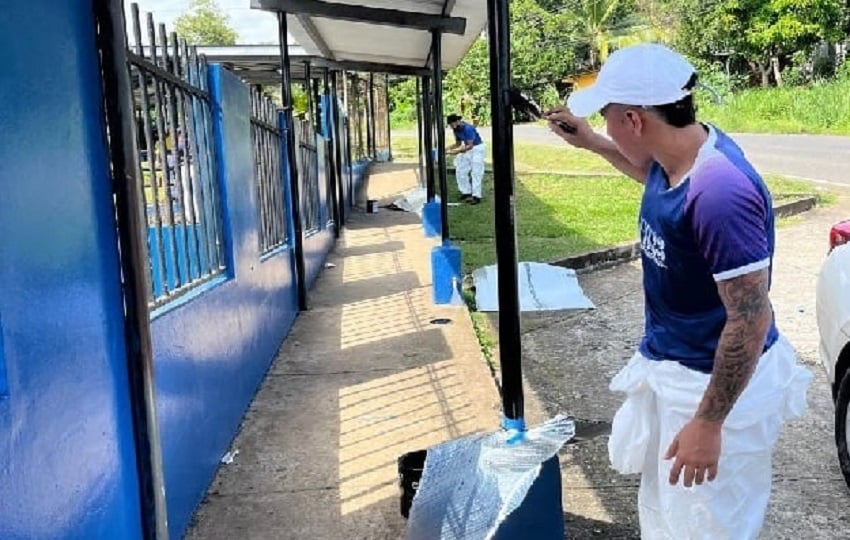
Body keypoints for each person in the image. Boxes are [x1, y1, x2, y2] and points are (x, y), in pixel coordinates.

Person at [545, 43, 812, 539]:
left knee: (705, 525)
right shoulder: (675, 160)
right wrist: (591, 143)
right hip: (679, 370)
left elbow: (751, 319)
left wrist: (708, 424)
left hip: (713, 389)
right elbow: (652, 177)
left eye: (606, 118)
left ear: (635, 119)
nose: (604, 126)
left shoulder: (719, 192)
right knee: (669, 518)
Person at [446, 113, 486, 204]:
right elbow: (458, 143)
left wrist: (455, 152)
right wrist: (446, 149)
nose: (451, 127)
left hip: (477, 148)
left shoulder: (468, 128)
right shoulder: (456, 130)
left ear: (457, 122)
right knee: (460, 170)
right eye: (450, 125)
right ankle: (466, 192)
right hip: (468, 148)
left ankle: (476, 196)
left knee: (476, 172)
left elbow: (470, 146)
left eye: (452, 124)